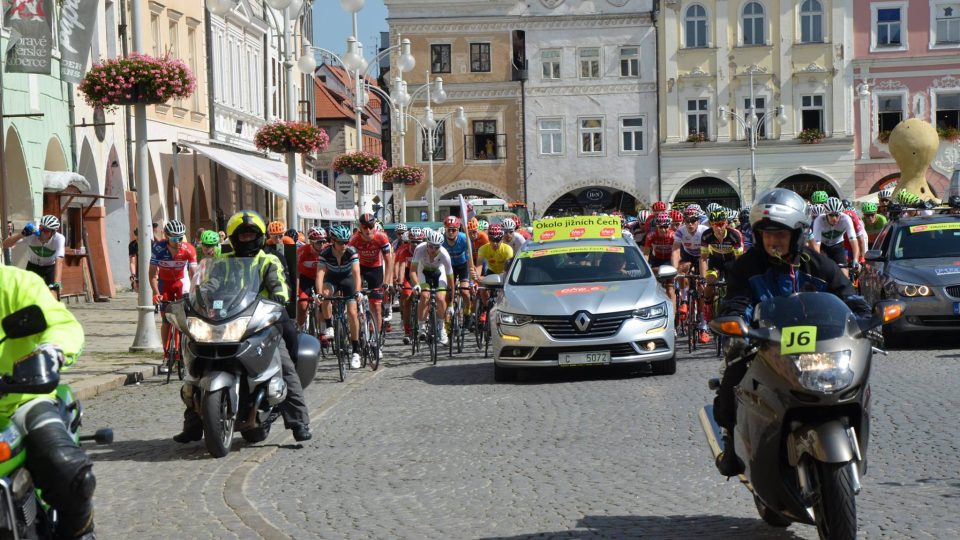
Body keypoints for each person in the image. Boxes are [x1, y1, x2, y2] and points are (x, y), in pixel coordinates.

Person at [713, 188, 871, 477]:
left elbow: (846, 294)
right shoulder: (747, 267)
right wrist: (736, 322)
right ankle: (729, 437)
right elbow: (737, 300)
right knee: (732, 377)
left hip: (820, 345)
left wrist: (864, 318)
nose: (773, 240)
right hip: (766, 344)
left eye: (781, 234)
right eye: (767, 234)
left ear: (797, 234)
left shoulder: (818, 263)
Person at [174, 210, 311, 443]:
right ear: (234, 238)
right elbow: (210, 282)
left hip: (262, 321)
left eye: (251, 235)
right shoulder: (224, 261)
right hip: (227, 319)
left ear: (258, 236)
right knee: (197, 368)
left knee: (284, 364)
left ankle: (299, 421)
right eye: (242, 235)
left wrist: (279, 296)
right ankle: (193, 423)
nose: (246, 239)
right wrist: (198, 296)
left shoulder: (269, 260)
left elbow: (280, 286)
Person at [0, 265, 98, 539]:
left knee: (68, 468)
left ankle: (79, 532)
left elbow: (61, 325)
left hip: (20, 400)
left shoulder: (15, 282)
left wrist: (50, 351)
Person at [149, 220, 198, 373]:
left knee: (182, 321)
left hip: (181, 283)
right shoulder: (158, 248)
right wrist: (156, 293)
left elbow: (193, 274)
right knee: (165, 320)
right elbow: (152, 274)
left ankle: (182, 352)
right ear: (166, 236)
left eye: (181, 237)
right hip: (165, 285)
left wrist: (194, 291)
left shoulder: (188, 249)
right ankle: (166, 355)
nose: (178, 242)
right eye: (174, 238)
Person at [315, 224, 363, 369]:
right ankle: (329, 326)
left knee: (353, 313)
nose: (344, 245)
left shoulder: (351, 252)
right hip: (333, 279)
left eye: (346, 242)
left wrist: (358, 291)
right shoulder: (325, 253)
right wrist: (318, 293)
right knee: (325, 294)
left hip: (348, 279)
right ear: (333, 241)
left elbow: (356, 274)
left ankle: (356, 351)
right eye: (341, 242)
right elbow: (320, 274)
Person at [698, 209, 744, 344]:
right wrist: (703, 277)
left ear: (726, 223)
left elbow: (739, 259)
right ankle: (707, 307)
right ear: (711, 224)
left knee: (733, 288)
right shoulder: (706, 236)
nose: (719, 227)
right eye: (715, 224)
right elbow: (703, 258)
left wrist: (739, 276)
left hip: (731, 262)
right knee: (710, 283)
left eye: (721, 223)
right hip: (715, 262)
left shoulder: (734, 235)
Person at [348, 213, 393, 337]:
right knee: (355, 301)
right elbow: (349, 263)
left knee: (376, 307)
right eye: (364, 227)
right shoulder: (354, 239)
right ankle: (359, 327)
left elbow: (389, 262)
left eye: (371, 226)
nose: (368, 230)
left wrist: (387, 282)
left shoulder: (381, 237)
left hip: (376, 269)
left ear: (375, 226)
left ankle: (376, 339)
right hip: (360, 269)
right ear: (360, 228)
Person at [2, 215, 66, 297]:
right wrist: (21, 235)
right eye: (41, 228)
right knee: (26, 294)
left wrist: (57, 283)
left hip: (50, 267)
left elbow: (59, 261)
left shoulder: (59, 239)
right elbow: (5, 245)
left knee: (53, 294)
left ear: (53, 232)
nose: (42, 232)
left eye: (46, 231)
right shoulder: (32, 235)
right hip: (33, 266)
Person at [409, 230, 454, 345]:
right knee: (424, 295)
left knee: (440, 297)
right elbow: (413, 271)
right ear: (427, 244)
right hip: (423, 271)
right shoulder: (420, 249)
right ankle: (422, 327)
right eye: (431, 246)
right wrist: (416, 285)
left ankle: (441, 327)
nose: (433, 250)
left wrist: (451, 304)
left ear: (440, 246)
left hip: (439, 272)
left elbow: (450, 280)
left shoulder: (444, 254)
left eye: (436, 247)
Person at [671, 207, 709, 320]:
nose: (690, 224)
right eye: (687, 221)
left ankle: (702, 320)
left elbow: (704, 256)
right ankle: (684, 300)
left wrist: (703, 277)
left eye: (693, 221)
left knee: (701, 286)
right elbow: (676, 250)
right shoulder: (680, 231)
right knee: (682, 270)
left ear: (698, 221)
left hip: (703, 256)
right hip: (688, 255)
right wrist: (675, 270)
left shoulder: (704, 231)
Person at [811, 198, 861, 276]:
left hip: (837, 246)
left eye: (837, 215)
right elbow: (816, 245)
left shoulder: (846, 219)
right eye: (831, 215)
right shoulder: (819, 220)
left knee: (844, 276)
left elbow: (854, 241)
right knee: (821, 273)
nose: (834, 218)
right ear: (826, 213)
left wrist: (855, 259)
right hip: (823, 247)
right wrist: (820, 260)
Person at [440, 216, 473, 329]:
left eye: (453, 230)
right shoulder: (441, 240)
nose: (451, 232)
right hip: (449, 268)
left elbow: (470, 259)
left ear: (458, 230)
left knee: (465, 292)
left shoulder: (464, 239)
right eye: (448, 229)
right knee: (448, 294)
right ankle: (447, 323)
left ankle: (468, 313)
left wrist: (472, 279)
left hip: (462, 266)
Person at [642, 212, 678, 305]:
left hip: (669, 260)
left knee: (670, 289)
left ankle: (673, 316)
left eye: (666, 227)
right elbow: (646, 254)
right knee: (654, 288)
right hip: (656, 260)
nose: (663, 230)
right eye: (660, 227)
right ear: (656, 226)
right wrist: (645, 268)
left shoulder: (673, 236)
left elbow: (677, 253)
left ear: (669, 226)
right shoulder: (651, 236)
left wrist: (675, 268)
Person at [296, 227, 326, 329]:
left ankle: (322, 332)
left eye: (323, 241)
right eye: (319, 242)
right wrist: (296, 293)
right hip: (306, 279)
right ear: (311, 242)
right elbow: (297, 274)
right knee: (302, 305)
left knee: (323, 304)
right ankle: (300, 329)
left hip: (321, 279)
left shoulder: (327, 250)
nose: (322, 245)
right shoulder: (302, 251)